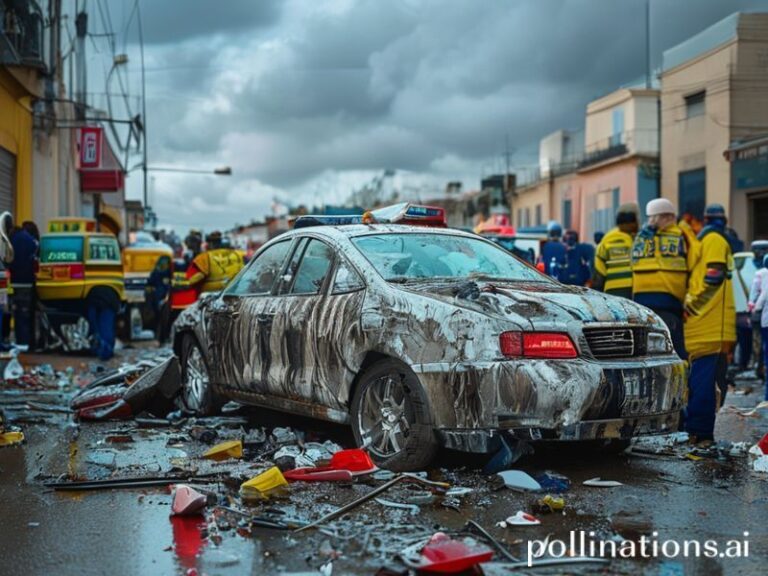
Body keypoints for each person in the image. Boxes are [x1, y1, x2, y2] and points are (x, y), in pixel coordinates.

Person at [683, 204, 736, 445]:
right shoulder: (711, 241)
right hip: (708, 324)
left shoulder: (708, 241)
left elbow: (710, 278)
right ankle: (698, 430)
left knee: (703, 380)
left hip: (706, 324)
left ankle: (697, 430)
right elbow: (711, 278)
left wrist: (690, 307)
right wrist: (693, 307)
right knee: (707, 380)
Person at [631, 198, 697, 359]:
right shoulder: (680, 235)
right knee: (674, 349)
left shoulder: (640, 237)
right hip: (669, 300)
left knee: (646, 351)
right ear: (670, 217)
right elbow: (696, 258)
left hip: (640, 300)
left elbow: (631, 263)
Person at [592, 203, 640, 299]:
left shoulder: (606, 241)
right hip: (636, 291)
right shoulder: (641, 240)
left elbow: (599, 271)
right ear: (636, 221)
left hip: (611, 291)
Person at [8, 220, 39, 347]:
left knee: (10, 312)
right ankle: (26, 342)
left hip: (11, 283)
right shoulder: (32, 241)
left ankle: (10, 339)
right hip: (28, 283)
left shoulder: (10, 240)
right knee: (25, 314)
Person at [185, 231, 244, 296]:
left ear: (210, 244)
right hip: (234, 292)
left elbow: (195, 278)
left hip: (211, 295)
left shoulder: (204, 257)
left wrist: (187, 284)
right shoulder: (238, 254)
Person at [749, 240, 768, 380]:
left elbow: (755, 293)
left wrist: (753, 307)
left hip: (761, 314)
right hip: (761, 313)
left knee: (759, 343)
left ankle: (759, 368)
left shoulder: (759, 272)